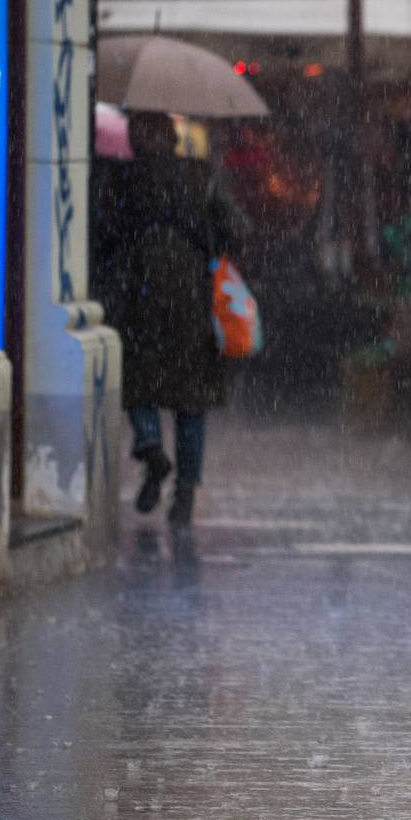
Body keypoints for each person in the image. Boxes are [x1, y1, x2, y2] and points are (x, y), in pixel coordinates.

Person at [98, 111, 247, 528]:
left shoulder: (123, 180)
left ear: (136, 140)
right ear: (173, 139)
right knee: (190, 402)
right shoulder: (201, 179)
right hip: (191, 302)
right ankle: (184, 493)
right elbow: (235, 230)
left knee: (136, 384)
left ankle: (150, 449)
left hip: (137, 296)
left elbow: (104, 234)